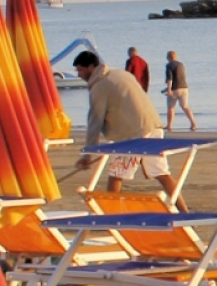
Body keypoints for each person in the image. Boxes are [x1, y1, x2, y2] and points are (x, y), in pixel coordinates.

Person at [74, 50, 176, 198]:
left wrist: (88, 156)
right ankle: (183, 211)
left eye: (80, 70)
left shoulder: (99, 87)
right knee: (161, 173)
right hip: (153, 126)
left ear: (91, 67)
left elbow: (94, 122)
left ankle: (110, 215)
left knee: (116, 174)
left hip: (132, 134)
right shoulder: (121, 74)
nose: (79, 74)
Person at [163, 50, 197, 132]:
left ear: (168, 57)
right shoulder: (181, 64)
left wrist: (169, 89)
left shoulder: (169, 65)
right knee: (185, 106)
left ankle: (169, 125)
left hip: (175, 88)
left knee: (171, 107)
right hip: (184, 87)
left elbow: (170, 79)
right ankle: (193, 123)